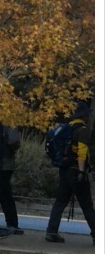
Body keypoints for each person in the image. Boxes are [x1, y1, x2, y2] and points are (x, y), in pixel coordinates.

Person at [45, 101, 94, 244]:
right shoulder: (83, 130)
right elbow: (82, 152)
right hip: (76, 171)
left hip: (64, 170)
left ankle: (51, 231)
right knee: (87, 205)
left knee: (60, 202)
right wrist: (81, 170)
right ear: (84, 116)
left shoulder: (68, 128)